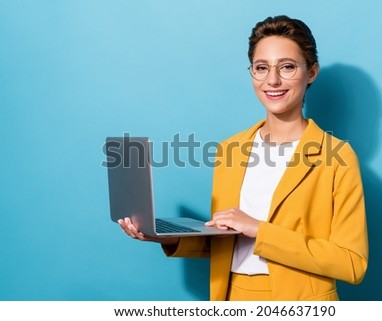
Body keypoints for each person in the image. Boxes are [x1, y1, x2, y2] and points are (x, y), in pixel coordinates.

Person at [119, 15, 368, 301]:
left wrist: (260, 231)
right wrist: (166, 236)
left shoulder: (337, 156)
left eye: (287, 67)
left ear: (311, 73)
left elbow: (352, 263)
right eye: (261, 68)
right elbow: (230, 244)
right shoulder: (231, 150)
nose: (272, 80)